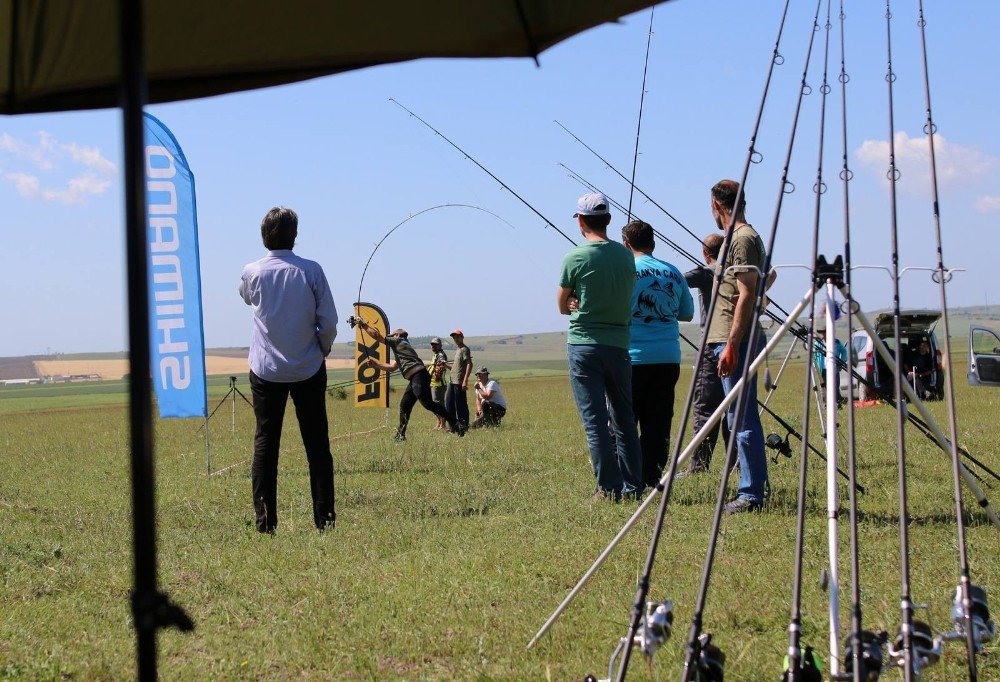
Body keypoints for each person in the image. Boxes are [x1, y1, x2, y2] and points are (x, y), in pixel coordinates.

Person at [238, 207, 337, 533]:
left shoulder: (252, 271)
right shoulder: (311, 270)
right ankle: (325, 521)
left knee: (266, 443)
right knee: (317, 446)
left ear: (263, 236)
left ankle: (265, 524)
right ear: (294, 236)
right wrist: (322, 348)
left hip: (266, 369)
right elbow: (329, 321)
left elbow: (245, 296)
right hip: (308, 366)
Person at [558, 192, 643, 501]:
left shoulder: (575, 257)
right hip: (619, 345)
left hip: (584, 345)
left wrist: (572, 300)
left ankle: (608, 488)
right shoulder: (625, 255)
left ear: (581, 221)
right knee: (624, 417)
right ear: (608, 220)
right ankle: (634, 486)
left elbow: (562, 305)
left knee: (595, 421)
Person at [706, 180, 769, 513]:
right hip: (733, 338)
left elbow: (746, 292)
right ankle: (756, 484)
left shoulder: (742, 238)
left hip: (737, 340)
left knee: (741, 417)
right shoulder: (744, 238)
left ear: (718, 204)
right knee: (739, 415)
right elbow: (763, 280)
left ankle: (751, 494)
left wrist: (732, 343)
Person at [621, 219, 694, 489]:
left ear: (626, 244)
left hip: (633, 357)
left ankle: (628, 479)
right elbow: (687, 313)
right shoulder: (673, 272)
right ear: (653, 243)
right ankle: (652, 477)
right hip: (668, 358)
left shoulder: (627, 270)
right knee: (658, 422)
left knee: (626, 420)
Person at [358, 323, 464, 441]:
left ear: (397, 335)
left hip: (418, 375)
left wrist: (363, 325)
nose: (390, 338)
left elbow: (377, 336)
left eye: (392, 336)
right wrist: (376, 364)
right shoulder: (402, 349)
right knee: (405, 404)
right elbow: (392, 367)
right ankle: (400, 435)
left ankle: (456, 424)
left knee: (427, 403)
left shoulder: (398, 342)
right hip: (416, 377)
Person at [682, 233, 730, 475]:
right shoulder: (737, 271)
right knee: (734, 406)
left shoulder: (706, 272)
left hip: (710, 347)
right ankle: (735, 464)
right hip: (737, 344)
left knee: (705, 408)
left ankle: (699, 466)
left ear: (705, 252)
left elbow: (677, 281)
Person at [445, 329, 473, 432]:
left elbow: (469, 364)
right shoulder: (458, 350)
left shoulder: (465, 349)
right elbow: (455, 367)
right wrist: (445, 364)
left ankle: (463, 427)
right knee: (449, 404)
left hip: (459, 382)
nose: (456, 339)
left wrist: (465, 380)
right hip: (452, 381)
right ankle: (453, 426)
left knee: (461, 405)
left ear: (462, 337)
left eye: (457, 337)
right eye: (454, 337)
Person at [427, 337, 449, 430]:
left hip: (438, 384)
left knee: (438, 405)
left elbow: (442, 364)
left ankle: (442, 424)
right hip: (432, 383)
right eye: (432, 344)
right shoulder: (435, 355)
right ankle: (439, 422)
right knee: (435, 405)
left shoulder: (440, 355)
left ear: (440, 345)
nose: (433, 346)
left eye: (435, 344)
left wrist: (439, 367)